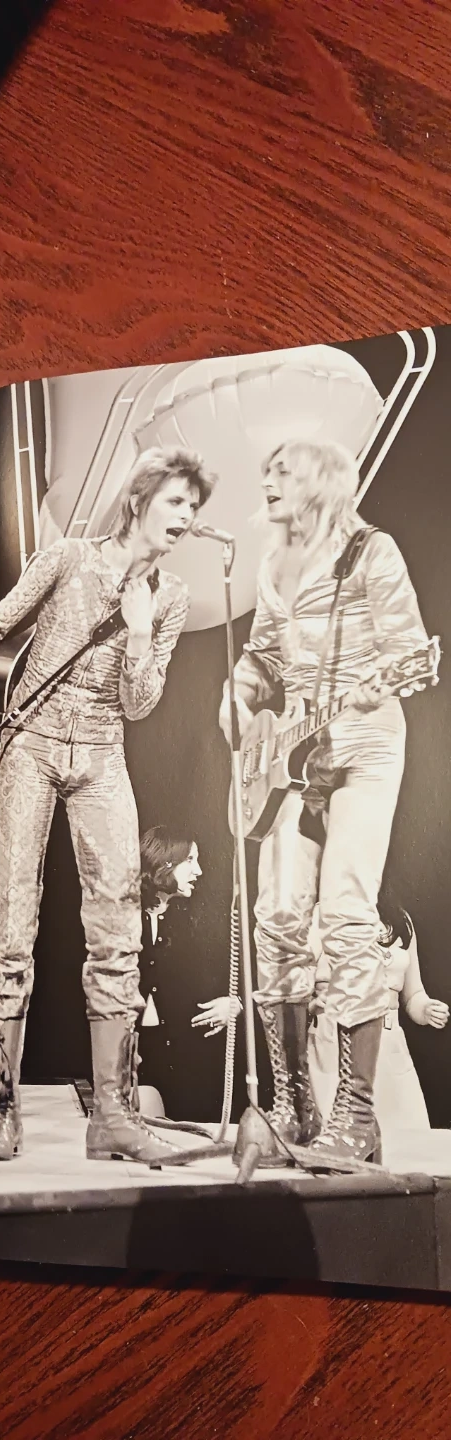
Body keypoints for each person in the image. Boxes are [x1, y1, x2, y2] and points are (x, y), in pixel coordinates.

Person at [0, 447, 216, 1163]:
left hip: (101, 754)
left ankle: (113, 1115)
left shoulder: (172, 596)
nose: (186, 516)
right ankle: (2, 1112)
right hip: (30, 745)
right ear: (139, 500)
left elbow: (139, 705)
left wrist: (142, 632)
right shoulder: (68, 559)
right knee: (12, 927)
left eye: (193, 506)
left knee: (118, 925)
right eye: (176, 501)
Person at [219, 439, 432, 1165]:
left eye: (282, 474)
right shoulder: (273, 564)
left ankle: (358, 1113)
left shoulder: (373, 552)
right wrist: (238, 697)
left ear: (320, 483)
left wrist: (378, 682)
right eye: (267, 474)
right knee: (277, 915)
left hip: (364, 743)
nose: (268, 485)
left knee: (344, 911)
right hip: (295, 755)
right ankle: (294, 1106)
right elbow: (261, 658)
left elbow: (409, 652)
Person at [309, 898, 449, 1133]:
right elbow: (293, 983)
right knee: (339, 1138)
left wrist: (425, 1009)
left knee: (405, 1142)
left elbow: (413, 994)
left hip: (389, 1044)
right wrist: (312, 1004)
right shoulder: (323, 913)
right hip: (336, 1043)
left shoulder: (400, 920)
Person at [137, 825, 242, 1120]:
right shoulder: (123, 918)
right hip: (140, 1054)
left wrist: (237, 1003)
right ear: (164, 863)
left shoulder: (204, 920)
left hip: (192, 1059)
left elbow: (247, 974)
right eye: (190, 861)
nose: (198, 871)